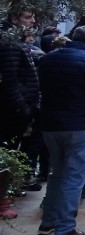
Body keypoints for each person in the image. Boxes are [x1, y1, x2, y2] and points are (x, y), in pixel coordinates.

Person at [36, 25, 85, 235]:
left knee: (56, 172)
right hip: (79, 125)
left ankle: (48, 221)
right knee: (74, 176)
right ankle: (65, 228)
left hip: (50, 124)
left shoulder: (49, 58)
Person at [0, 9, 40, 146]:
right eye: (28, 17)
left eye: (33, 17)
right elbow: (8, 80)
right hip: (12, 113)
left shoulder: (17, 40)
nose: (32, 21)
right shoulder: (9, 42)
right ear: (14, 19)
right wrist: (23, 109)